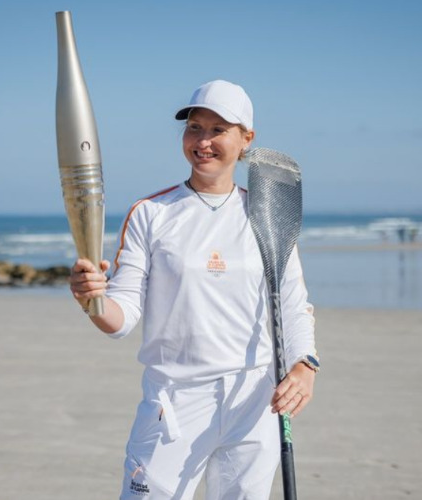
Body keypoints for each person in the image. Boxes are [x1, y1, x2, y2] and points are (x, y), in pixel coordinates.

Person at [69, 80, 318, 500]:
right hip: (175, 403)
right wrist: (92, 299)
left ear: (246, 139)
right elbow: (121, 318)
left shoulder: (269, 217)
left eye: (217, 130)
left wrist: (305, 365)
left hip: (255, 401)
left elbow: (293, 304)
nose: (202, 141)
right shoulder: (151, 214)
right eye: (194, 128)